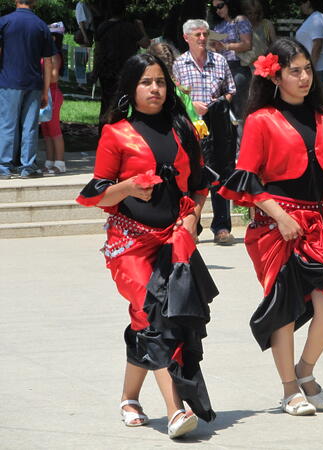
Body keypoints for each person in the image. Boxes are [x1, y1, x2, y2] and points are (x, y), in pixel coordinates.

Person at [219, 38, 323, 416]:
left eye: (307, 69)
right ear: (276, 76)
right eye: (294, 71)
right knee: (283, 308)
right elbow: (248, 179)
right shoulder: (260, 120)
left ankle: (305, 370)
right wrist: (281, 217)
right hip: (275, 228)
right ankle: (290, 389)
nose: (304, 77)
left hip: (320, 225)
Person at [76, 53, 218, 439]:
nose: (155, 89)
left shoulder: (182, 128)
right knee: (153, 315)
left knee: (151, 319)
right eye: (145, 82)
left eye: (159, 81)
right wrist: (128, 187)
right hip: (130, 243)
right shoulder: (116, 133)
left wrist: (193, 218)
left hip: (175, 241)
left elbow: (200, 184)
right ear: (131, 88)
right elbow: (97, 196)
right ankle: (176, 410)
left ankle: (128, 397)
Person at [173, 19, 237, 246]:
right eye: (197, 34)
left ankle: (222, 228)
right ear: (186, 38)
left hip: (218, 124)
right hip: (192, 127)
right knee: (193, 175)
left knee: (220, 173)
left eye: (204, 34)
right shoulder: (179, 64)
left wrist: (217, 102)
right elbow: (176, 96)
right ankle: (193, 227)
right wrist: (192, 105)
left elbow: (231, 91)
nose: (202, 38)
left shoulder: (219, 61)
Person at [0, 0, 55, 179]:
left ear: (16, 1)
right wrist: (46, 90)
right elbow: (48, 61)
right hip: (33, 83)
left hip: (8, 81)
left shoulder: (5, 22)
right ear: (35, 3)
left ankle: (4, 166)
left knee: (7, 124)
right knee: (30, 126)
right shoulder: (41, 26)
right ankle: (27, 166)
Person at [93, 1, 150, 133]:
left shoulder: (102, 27)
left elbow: (98, 50)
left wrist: (95, 71)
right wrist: (141, 27)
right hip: (125, 70)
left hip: (106, 70)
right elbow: (146, 44)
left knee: (106, 102)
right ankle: (120, 132)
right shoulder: (130, 28)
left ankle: (104, 132)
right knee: (123, 103)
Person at [210, 0, 253, 120]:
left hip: (238, 68)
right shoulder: (218, 25)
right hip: (221, 69)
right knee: (227, 112)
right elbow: (215, 48)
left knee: (240, 111)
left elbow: (247, 44)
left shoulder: (240, 20)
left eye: (220, 6)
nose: (218, 10)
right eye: (214, 8)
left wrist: (226, 46)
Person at [41, 22, 66, 175]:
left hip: (52, 93)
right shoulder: (46, 54)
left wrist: (43, 75)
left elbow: (54, 77)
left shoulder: (54, 55)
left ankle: (60, 162)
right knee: (46, 129)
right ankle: (49, 161)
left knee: (54, 129)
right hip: (44, 92)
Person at [296, 0, 323, 83]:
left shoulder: (318, 19)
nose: (300, 7)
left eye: (301, 3)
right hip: (310, 68)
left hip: (317, 69)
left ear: (308, 2)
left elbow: (317, 45)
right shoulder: (313, 18)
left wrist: (310, 68)